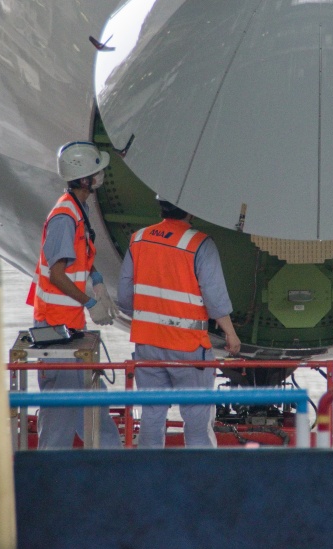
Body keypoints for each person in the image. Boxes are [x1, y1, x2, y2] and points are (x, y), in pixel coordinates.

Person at [116, 197, 242, 447]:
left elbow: (124, 295)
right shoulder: (199, 244)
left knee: (152, 415)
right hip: (188, 349)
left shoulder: (139, 238)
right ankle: (200, 480)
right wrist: (230, 333)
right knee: (196, 420)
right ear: (191, 210)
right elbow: (214, 297)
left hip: (147, 344)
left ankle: (150, 477)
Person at [30, 141, 122, 449]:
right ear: (85, 180)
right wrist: (91, 302)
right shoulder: (64, 217)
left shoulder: (75, 210)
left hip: (67, 329)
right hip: (56, 333)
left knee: (90, 409)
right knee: (61, 416)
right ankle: (49, 479)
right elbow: (57, 274)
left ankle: (111, 465)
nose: (102, 176)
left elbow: (78, 252)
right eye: (97, 172)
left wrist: (95, 278)